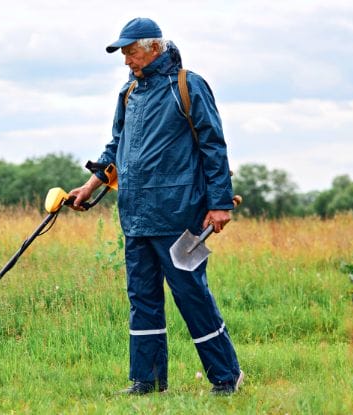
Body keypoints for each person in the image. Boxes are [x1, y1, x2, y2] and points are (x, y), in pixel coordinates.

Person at [69, 17, 244, 395]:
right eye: (123, 53)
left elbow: (213, 146)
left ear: (153, 47)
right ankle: (147, 381)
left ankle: (227, 378)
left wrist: (218, 204)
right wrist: (89, 185)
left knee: (192, 295)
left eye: (131, 52)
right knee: (142, 300)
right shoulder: (128, 94)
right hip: (135, 217)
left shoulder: (188, 85)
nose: (126, 60)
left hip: (180, 215)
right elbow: (116, 147)